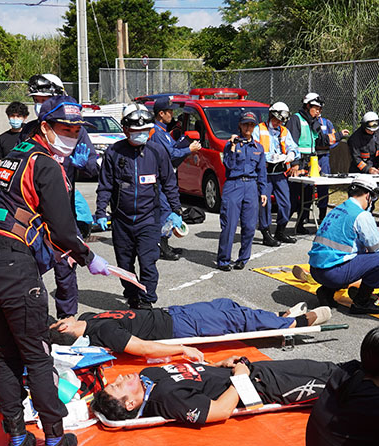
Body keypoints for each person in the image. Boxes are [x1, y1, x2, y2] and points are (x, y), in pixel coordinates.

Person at [0, 95, 111, 446]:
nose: (73, 136)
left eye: (78, 130)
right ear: (45, 126)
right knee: (37, 356)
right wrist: (88, 256)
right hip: (11, 269)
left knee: (6, 356)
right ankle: (54, 439)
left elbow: (13, 212)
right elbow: (63, 228)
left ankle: (16, 440)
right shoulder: (45, 164)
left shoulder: (14, 155)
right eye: (66, 129)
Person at [24, 73, 98, 320]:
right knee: (29, 270)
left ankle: (67, 318)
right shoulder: (29, 130)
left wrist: (76, 164)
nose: (38, 103)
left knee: (66, 267)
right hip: (31, 215)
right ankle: (36, 319)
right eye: (36, 99)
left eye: (43, 98)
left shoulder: (72, 129)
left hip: (62, 211)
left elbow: (92, 166)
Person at [95, 105, 180, 309]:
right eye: (136, 132)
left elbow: (169, 182)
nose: (141, 135)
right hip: (121, 220)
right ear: (125, 130)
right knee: (124, 264)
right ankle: (132, 295)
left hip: (148, 219)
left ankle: (147, 300)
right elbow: (105, 185)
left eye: (145, 131)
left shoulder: (157, 151)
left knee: (148, 262)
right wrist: (100, 212)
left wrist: (177, 211)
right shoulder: (114, 152)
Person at [50, 298, 330, 359]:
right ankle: (294, 324)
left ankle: (275, 316)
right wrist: (183, 349)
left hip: (172, 312)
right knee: (233, 320)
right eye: (62, 319)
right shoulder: (102, 333)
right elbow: (143, 348)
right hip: (179, 326)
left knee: (227, 305)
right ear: (64, 327)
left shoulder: (88, 316)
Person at [93, 357, 340, 425]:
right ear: (129, 405)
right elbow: (220, 411)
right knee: (335, 382)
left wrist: (218, 364)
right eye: (118, 386)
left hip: (252, 371)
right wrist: (241, 380)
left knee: (326, 368)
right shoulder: (167, 400)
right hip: (266, 387)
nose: (120, 378)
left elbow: (191, 372)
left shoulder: (149, 376)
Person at [308, 178, 379, 314]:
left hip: (316, 270)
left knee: (356, 253)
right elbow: (376, 247)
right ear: (368, 196)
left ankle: (326, 292)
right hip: (333, 273)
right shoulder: (362, 215)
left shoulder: (337, 209)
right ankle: (361, 302)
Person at [151, 96, 201, 261]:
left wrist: (184, 143)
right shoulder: (157, 133)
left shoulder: (163, 131)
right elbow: (170, 155)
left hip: (166, 178)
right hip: (159, 179)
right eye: (169, 111)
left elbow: (172, 148)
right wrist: (189, 149)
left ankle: (165, 245)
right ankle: (162, 248)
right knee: (165, 212)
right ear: (161, 113)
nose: (172, 114)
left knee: (166, 211)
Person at [216, 111, 267, 271]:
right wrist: (231, 147)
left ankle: (243, 258)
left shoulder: (258, 147)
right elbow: (229, 166)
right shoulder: (231, 144)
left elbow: (262, 172)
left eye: (251, 124)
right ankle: (223, 259)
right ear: (240, 125)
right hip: (234, 185)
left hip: (251, 187)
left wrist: (263, 191)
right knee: (229, 225)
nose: (248, 127)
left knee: (250, 226)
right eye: (245, 124)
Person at [255, 102, 301, 247]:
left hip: (280, 173)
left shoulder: (284, 131)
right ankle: (266, 233)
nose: (278, 123)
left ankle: (280, 230)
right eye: (276, 120)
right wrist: (269, 157)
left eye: (281, 121)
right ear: (271, 115)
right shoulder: (259, 129)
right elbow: (255, 149)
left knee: (286, 203)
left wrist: (292, 154)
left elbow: (293, 146)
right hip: (265, 173)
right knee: (265, 204)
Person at [286, 93, 326, 232]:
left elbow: (315, 143)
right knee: (293, 197)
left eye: (320, 109)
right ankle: (282, 227)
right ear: (308, 105)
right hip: (298, 162)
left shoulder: (313, 122)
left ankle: (300, 224)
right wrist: (295, 163)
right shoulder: (296, 119)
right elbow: (292, 143)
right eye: (316, 108)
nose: (318, 112)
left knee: (308, 197)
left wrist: (315, 163)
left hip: (309, 162)